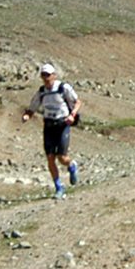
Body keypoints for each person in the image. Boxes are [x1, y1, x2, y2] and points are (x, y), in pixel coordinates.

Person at [20, 61, 81, 197]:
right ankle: (59, 187)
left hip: (62, 124)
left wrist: (72, 115)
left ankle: (71, 166)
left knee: (62, 157)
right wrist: (27, 116)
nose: (45, 78)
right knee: (50, 158)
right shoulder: (42, 92)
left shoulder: (63, 88)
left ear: (54, 75)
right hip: (48, 126)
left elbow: (77, 102)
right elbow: (33, 107)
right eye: (43, 75)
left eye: (48, 75)